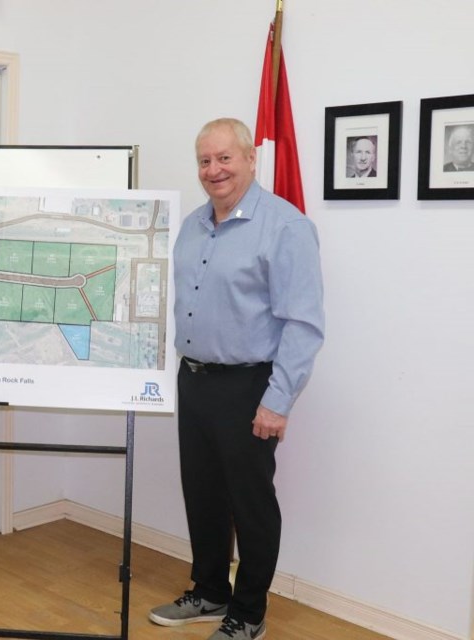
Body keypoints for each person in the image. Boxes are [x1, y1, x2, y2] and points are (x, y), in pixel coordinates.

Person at [148, 118, 324, 640]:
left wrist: (278, 400)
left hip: (249, 386)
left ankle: (248, 613)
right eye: (205, 160)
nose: (214, 170)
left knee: (250, 503)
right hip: (195, 379)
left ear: (251, 159)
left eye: (225, 158)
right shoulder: (193, 225)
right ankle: (209, 589)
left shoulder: (286, 226)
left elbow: (303, 323)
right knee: (201, 492)